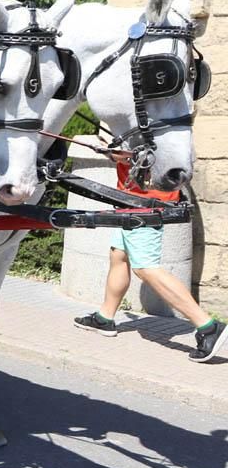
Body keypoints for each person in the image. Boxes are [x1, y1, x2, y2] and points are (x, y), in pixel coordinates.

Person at [74, 153, 227, 362]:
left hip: (144, 204)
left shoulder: (150, 127)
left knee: (146, 268)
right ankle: (105, 317)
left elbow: (141, 157)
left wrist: (112, 152)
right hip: (128, 201)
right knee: (118, 256)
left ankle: (208, 327)